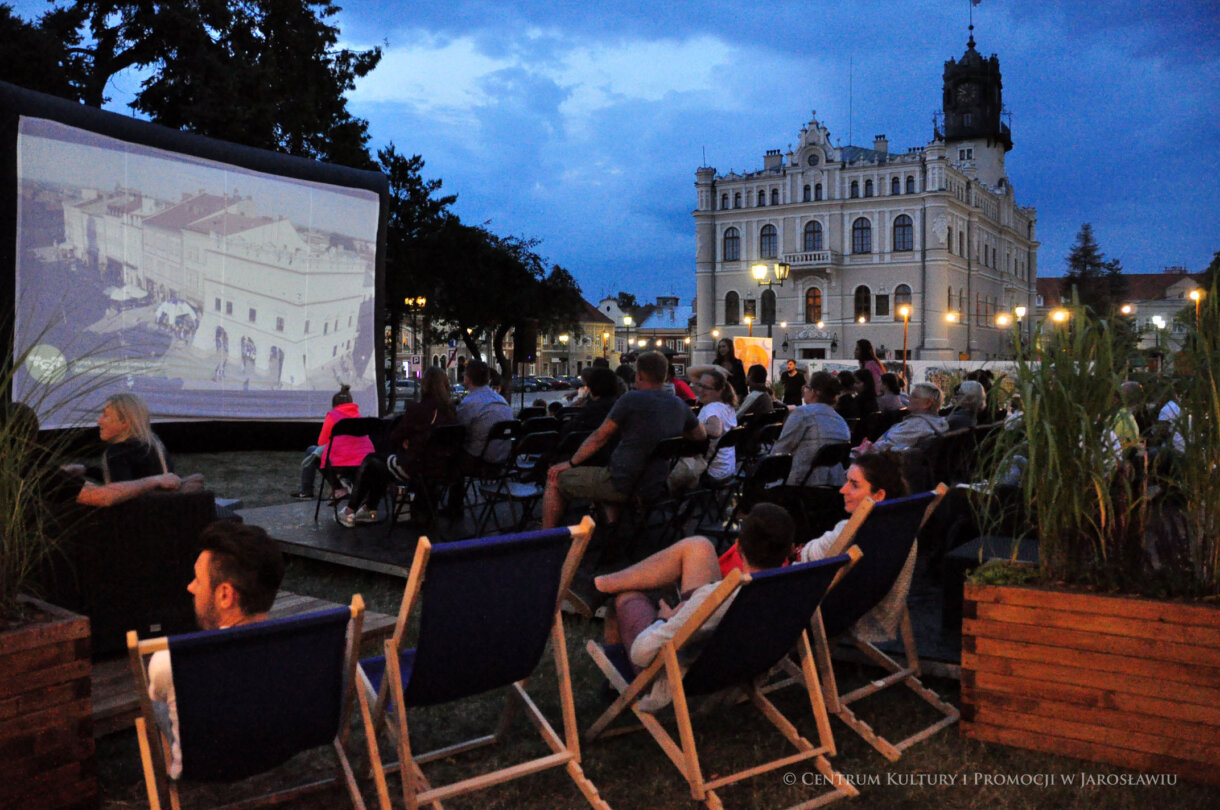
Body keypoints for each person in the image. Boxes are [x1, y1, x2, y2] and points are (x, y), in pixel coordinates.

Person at [588, 503, 796, 710]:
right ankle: (603, 584)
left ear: (739, 547)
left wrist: (664, 619)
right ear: (791, 549)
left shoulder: (718, 597)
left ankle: (621, 689)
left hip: (688, 672)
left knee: (625, 597)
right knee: (699, 546)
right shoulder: (794, 588)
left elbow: (641, 653)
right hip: (736, 661)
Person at [148, 521, 286, 778]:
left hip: (205, 761)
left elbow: (158, 704)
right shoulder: (304, 644)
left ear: (225, 595)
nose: (190, 587)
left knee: (156, 699)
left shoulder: (171, 661)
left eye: (198, 580)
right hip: (284, 745)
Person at [542, 350, 705, 530]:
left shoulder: (630, 399)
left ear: (639, 375)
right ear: (664, 375)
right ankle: (613, 532)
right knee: (600, 476)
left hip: (621, 482)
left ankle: (545, 539)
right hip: (654, 483)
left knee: (555, 479)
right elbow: (700, 435)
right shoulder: (678, 404)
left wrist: (571, 463)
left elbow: (600, 436)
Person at [796, 453, 912, 642]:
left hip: (824, 611)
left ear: (879, 495)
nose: (843, 490)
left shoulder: (851, 531)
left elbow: (808, 557)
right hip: (864, 607)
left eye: (854, 485)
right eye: (846, 482)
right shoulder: (900, 529)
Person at [4, 401, 183, 509]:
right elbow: (104, 496)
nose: (98, 421)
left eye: (105, 416)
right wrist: (156, 480)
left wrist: (82, 470)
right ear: (33, 437)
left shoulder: (24, 470)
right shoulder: (38, 473)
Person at [338, 367, 457, 526]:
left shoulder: (417, 409)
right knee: (380, 464)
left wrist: (406, 442)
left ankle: (351, 510)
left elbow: (395, 437)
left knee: (372, 461)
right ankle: (368, 508)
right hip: (444, 468)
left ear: (425, 386)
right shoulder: (451, 411)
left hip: (417, 467)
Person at [290, 384, 374, 500]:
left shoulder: (333, 416)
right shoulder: (360, 417)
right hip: (365, 463)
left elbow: (321, 442)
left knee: (312, 451)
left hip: (341, 463)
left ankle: (308, 491)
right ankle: (346, 485)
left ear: (334, 405)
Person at [770, 371, 850, 487]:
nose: (804, 390)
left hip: (801, 484)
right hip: (832, 485)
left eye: (806, 387)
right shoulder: (840, 421)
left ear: (813, 391)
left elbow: (781, 450)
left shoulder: (803, 413)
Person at [667, 366, 737, 494]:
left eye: (706, 388)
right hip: (728, 469)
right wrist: (714, 368)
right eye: (700, 386)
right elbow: (690, 371)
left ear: (719, 390)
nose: (700, 390)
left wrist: (692, 428)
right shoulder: (728, 406)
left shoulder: (711, 408)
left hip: (710, 470)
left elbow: (715, 430)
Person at [90, 393, 173, 483]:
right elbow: (135, 477)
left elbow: (122, 490)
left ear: (124, 422)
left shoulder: (117, 453)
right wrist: (87, 470)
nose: (99, 421)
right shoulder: (155, 446)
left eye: (105, 415)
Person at [856, 382, 948, 454]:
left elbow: (886, 446)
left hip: (880, 465)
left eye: (914, 396)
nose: (909, 398)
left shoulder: (916, 425)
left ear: (927, 404)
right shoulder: (935, 422)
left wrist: (868, 448)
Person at [457, 359, 514, 467]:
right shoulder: (502, 401)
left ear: (467, 379)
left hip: (480, 461)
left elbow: (460, 431)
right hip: (503, 458)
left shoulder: (469, 403)